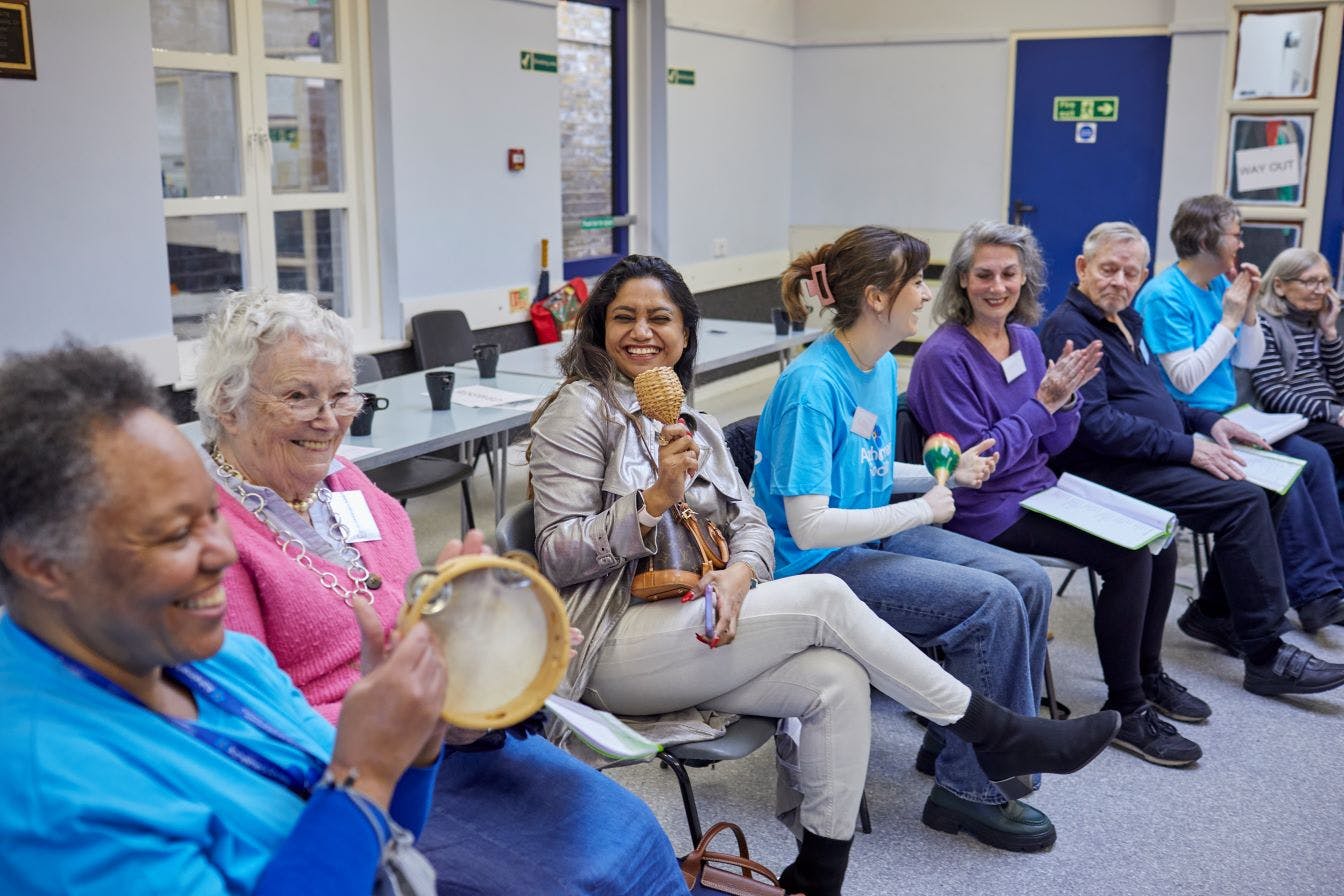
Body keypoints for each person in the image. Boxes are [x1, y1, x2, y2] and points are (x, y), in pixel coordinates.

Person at [529, 254, 1120, 892]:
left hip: (698, 625)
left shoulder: (691, 422)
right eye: (625, 318)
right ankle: (993, 730)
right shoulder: (580, 410)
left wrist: (738, 574)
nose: (642, 332)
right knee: (825, 596)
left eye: (659, 318)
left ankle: (817, 876)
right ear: (597, 329)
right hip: (612, 642)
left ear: (685, 334)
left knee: (836, 679)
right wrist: (650, 502)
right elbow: (558, 554)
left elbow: (752, 524)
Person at [193, 288, 689, 896]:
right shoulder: (209, 538)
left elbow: (418, 612)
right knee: (568, 880)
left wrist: (500, 642)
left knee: (631, 829)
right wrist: (422, 708)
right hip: (341, 775)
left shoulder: (346, 482)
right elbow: (250, 723)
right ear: (228, 403)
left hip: (448, 735)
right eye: (299, 396)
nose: (329, 421)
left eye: (341, 394)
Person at [0, 342, 448, 895]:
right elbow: (357, 801)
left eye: (212, 514)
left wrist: (414, 737)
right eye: (175, 534)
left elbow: (379, 844)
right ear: (42, 565)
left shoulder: (221, 661)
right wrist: (368, 774)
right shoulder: (46, 790)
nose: (226, 552)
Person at [756, 225, 1070, 853]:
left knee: (1027, 581)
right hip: (814, 570)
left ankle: (956, 736)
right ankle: (971, 788)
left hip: (862, 545)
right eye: (916, 282)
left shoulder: (872, 365)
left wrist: (928, 474)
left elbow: (863, 468)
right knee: (991, 603)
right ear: (877, 297)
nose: (928, 295)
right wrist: (922, 510)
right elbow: (809, 524)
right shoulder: (814, 387)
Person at [907, 220, 1207, 769]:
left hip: (1039, 488)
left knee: (1158, 531)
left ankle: (1147, 673)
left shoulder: (1023, 339)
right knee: (1128, 555)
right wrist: (1042, 405)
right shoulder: (944, 355)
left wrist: (1064, 404)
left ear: (1026, 279)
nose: (997, 286)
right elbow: (982, 464)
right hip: (983, 509)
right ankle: (1129, 705)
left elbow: (1055, 442)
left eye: (1009, 274)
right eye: (983, 275)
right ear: (961, 281)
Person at [1040, 221, 1344, 698]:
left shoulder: (1125, 322)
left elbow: (1157, 400)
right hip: (1102, 471)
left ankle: (1215, 613)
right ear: (1083, 268)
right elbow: (1093, 425)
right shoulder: (1069, 327)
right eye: (1109, 269)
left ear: (1143, 276)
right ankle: (1265, 652)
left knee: (1270, 485)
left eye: (1130, 272)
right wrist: (1188, 447)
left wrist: (1208, 423)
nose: (1120, 281)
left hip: (1148, 455)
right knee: (1244, 500)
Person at [1136, 195, 1344, 632]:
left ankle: (1329, 585)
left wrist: (1247, 312)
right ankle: (1313, 592)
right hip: (1187, 420)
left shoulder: (1216, 287)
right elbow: (1187, 379)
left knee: (1317, 458)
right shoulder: (1163, 294)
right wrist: (1229, 320)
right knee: (1288, 471)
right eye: (1236, 234)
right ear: (1208, 238)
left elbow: (1247, 359)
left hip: (1232, 415)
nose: (1241, 244)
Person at [1251, 247, 1344, 478]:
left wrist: (1330, 332)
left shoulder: (1317, 322)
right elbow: (1273, 392)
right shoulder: (1263, 325)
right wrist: (1335, 413)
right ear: (1279, 285)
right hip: (1294, 419)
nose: (1320, 290)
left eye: (1324, 281)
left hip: (1327, 413)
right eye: (1310, 282)